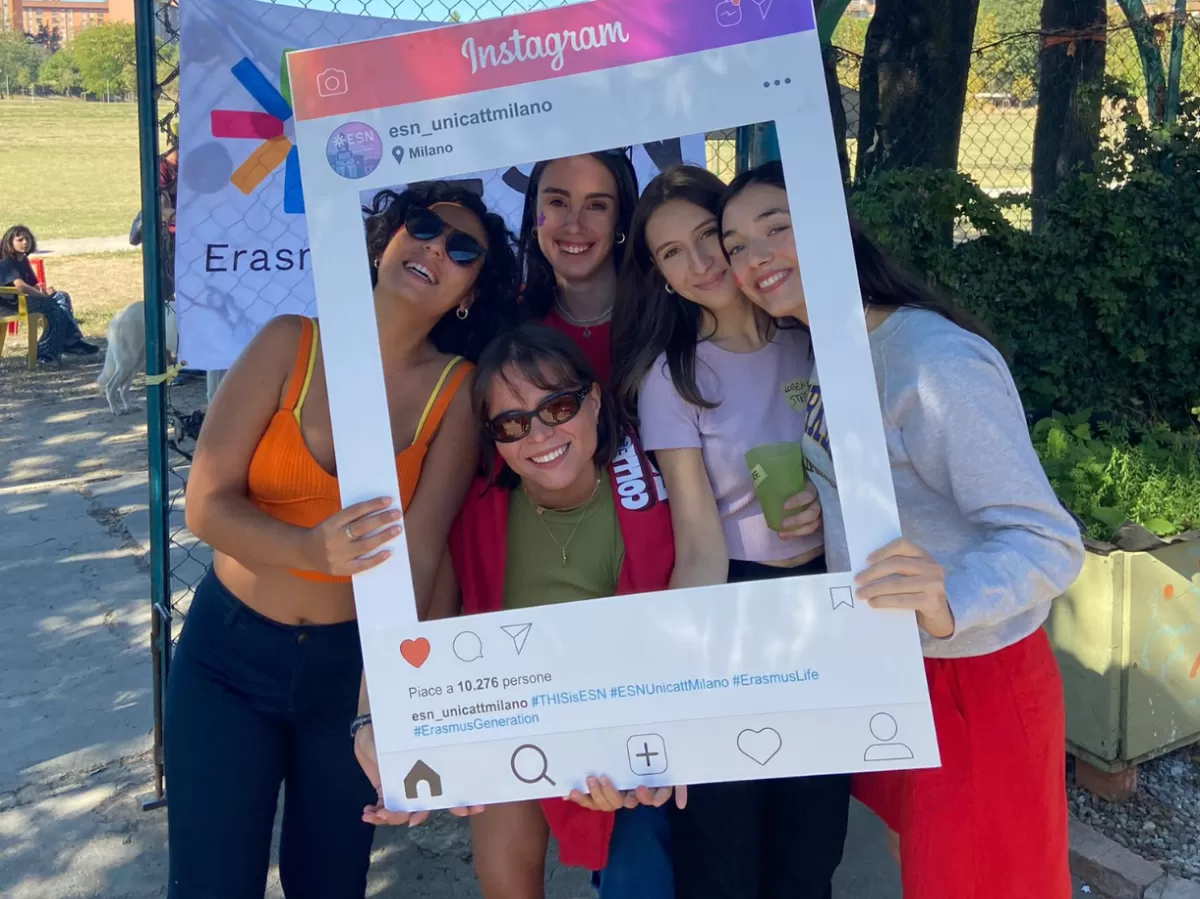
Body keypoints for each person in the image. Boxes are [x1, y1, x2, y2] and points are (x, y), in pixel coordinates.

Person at [718, 160, 1086, 899]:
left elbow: (1049, 541)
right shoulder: (838, 349)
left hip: (975, 678)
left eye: (776, 228)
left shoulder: (930, 359)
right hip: (898, 669)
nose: (753, 259)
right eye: (733, 246)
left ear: (832, 224)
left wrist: (948, 594)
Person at [166, 182, 520, 899]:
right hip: (227, 657)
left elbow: (421, 557)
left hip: (349, 672)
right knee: (210, 882)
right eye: (420, 227)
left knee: (328, 883)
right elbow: (203, 506)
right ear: (385, 238)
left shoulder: (455, 392)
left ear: (468, 296)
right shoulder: (289, 343)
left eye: (461, 250)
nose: (432, 249)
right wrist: (308, 552)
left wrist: (379, 710)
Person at [611, 164, 849, 899]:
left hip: (829, 604)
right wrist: (678, 695)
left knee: (810, 845)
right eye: (670, 253)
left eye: (708, 236)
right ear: (658, 276)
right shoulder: (673, 379)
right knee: (722, 850)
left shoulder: (812, 339)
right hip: (736, 610)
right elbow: (700, 544)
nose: (700, 261)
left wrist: (829, 507)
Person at [448, 323, 682, 899]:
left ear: (594, 399)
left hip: (631, 721)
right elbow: (442, 629)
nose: (539, 435)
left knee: (639, 873)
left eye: (557, 406)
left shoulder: (655, 488)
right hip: (514, 715)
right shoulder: (473, 511)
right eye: (512, 423)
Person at [515, 149, 639, 385]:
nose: (574, 226)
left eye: (596, 206)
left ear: (620, 220)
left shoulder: (663, 318)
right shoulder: (508, 320)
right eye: (557, 202)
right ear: (534, 215)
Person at [0, 224, 97, 362]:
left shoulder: (24, 261)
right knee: (55, 310)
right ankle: (53, 348)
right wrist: (42, 296)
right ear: (10, 243)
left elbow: (33, 285)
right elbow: (21, 287)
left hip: (24, 301)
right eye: (20, 240)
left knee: (62, 296)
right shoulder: (6, 263)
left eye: (27, 239)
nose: (25, 242)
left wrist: (45, 291)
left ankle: (67, 342)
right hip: (11, 305)